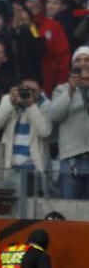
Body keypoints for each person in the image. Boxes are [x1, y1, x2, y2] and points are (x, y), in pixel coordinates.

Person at [0, 78, 52, 189]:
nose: (29, 92)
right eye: (26, 89)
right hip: (9, 167)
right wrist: (10, 104)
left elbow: (44, 131)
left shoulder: (45, 105)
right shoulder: (9, 100)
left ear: (41, 91)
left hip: (33, 169)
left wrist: (30, 106)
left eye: (33, 90)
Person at [50, 46, 89, 199]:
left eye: (86, 60)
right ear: (73, 66)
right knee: (69, 208)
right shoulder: (62, 89)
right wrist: (71, 91)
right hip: (70, 159)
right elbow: (55, 115)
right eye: (78, 60)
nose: (82, 63)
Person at [18, 0, 70, 96]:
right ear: (23, 4)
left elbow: (63, 56)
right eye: (31, 1)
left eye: (38, 1)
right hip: (18, 80)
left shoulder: (53, 26)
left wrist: (61, 84)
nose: (35, 4)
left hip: (46, 84)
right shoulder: (14, 25)